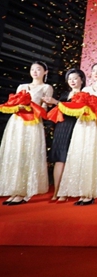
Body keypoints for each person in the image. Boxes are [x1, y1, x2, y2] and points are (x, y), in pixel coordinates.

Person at [57, 63, 97, 205]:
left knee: (93, 156)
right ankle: (81, 192)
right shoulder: (86, 89)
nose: (96, 73)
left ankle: (90, 193)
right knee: (81, 156)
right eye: (93, 70)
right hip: (83, 124)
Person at [0, 61, 52, 205]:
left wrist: (31, 107)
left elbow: (44, 110)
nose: (35, 72)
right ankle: (14, 189)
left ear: (45, 72)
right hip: (17, 123)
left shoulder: (46, 87)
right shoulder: (22, 87)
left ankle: (24, 192)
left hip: (32, 123)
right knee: (15, 153)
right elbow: (14, 104)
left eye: (38, 69)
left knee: (28, 154)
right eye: (32, 69)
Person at [43, 68, 86, 202]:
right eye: (69, 79)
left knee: (70, 159)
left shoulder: (85, 94)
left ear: (82, 80)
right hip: (61, 127)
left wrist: (56, 102)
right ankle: (56, 191)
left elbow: (76, 110)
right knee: (59, 159)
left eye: (75, 78)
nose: (72, 81)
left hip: (76, 127)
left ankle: (66, 191)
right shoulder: (64, 94)